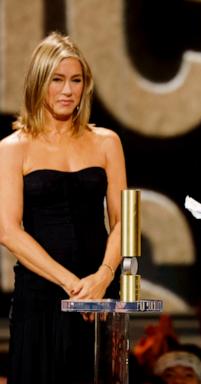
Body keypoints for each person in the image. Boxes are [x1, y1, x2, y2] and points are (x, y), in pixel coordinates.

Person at [0, 32, 127, 383]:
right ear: (39, 82)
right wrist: (73, 285)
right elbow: (8, 231)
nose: (68, 90)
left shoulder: (107, 142)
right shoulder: (13, 147)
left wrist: (102, 277)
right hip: (41, 297)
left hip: (100, 293)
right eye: (57, 80)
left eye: (76, 80)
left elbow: (122, 221)